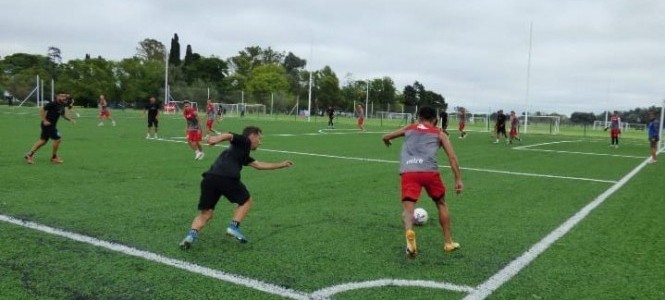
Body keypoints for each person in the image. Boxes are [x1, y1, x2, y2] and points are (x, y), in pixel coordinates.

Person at [179, 126, 294, 249]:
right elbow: (229, 135)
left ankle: (190, 236)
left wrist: (281, 164)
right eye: (259, 138)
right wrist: (216, 139)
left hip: (209, 179)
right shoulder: (245, 141)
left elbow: (258, 165)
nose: (260, 142)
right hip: (227, 178)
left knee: (206, 214)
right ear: (252, 136)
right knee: (246, 201)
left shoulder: (240, 151)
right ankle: (233, 227)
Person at [382, 106, 463, 258]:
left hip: (409, 171)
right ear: (435, 120)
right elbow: (452, 158)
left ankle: (410, 241)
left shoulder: (409, 128)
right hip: (429, 172)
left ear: (419, 118)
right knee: (441, 204)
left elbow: (386, 137)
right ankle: (448, 242)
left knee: (408, 210)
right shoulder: (440, 133)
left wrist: (387, 142)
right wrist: (458, 179)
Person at [24, 92, 76, 164]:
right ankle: (54, 157)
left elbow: (62, 114)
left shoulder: (62, 104)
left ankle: (29, 155)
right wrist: (44, 120)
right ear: (57, 96)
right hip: (48, 125)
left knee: (43, 141)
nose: (64, 97)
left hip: (51, 125)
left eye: (64, 96)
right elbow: (42, 110)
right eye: (62, 96)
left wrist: (70, 119)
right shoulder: (53, 103)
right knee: (58, 139)